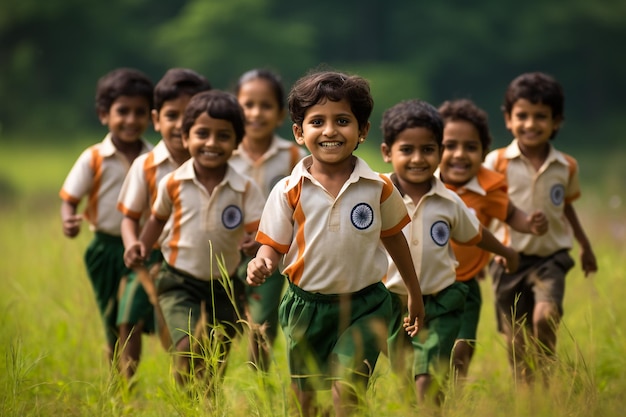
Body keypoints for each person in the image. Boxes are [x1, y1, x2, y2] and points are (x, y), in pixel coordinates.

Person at [247, 70, 425, 417]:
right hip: (305, 307)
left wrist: (414, 294)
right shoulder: (287, 190)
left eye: (342, 120)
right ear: (299, 132)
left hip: (366, 305)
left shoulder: (378, 187)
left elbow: (395, 240)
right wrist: (261, 261)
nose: (330, 131)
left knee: (349, 393)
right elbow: (272, 245)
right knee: (307, 401)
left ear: (363, 131)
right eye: (317, 122)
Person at [379, 99, 519, 405]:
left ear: (439, 153)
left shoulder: (450, 201)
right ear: (388, 153)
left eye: (428, 150)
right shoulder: (377, 196)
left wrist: (506, 252)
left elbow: (475, 234)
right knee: (403, 375)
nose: (418, 159)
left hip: (442, 299)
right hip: (394, 300)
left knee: (430, 375)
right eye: (407, 150)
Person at [125, 90, 265, 389]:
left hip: (225, 284)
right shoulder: (173, 182)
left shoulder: (244, 188)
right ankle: (186, 391)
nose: (212, 143)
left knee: (216, 358)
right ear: (186, 138)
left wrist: (254, 244)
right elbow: (157, 219)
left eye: (223, 136)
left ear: (237, 143)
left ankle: (203, 401)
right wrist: (141, 245)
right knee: (189, 346)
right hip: (178, 281)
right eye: (202, 134)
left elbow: (258, 231)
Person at [484, 71, 598, 383]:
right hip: (508, 259)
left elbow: (568, 207)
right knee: (516, 337)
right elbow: (481, 208)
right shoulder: (496, 162)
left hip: (552, 257)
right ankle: (527, 393)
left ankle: (546, 376)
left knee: (546, 316)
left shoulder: (566, 166)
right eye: (522, 115)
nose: (531, 124)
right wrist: (477, 252)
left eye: (541, 116)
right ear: (508, 119)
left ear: (556, 121)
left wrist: (585, 246)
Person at [436, 98, 549, 380]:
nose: (460, 154)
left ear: (484, 152)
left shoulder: (487, 187)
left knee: (462, 346)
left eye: (470, 147)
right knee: (426, 349)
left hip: (465, 285)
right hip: (423, 284)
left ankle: (454, 396)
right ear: (433, 146)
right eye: (449, 145)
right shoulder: (423, 184)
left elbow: (511, 214)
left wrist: (529, 223)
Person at [116, 68, 211, 381]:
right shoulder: (146, 166)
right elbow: (129, 218)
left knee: (188, 334)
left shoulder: (218, 165)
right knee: (128, 318)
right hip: (150, 257)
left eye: (191, 115)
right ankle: (123, 389)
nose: (181, 124)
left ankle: (191, 390)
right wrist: (133, 245)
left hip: (197, 261)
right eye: (172, 115)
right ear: (156, 120)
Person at [59, 68, 154, 370]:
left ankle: (128, 380)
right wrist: (69, 220)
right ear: (104, 114)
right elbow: (70, 198)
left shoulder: (153, 159)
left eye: (139, 112)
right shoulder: (94, 157)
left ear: (151, 116)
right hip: (104, 250)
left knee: (132, 318)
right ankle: (118, 385)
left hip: (141, 250)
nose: (131, 119)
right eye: (122, 111)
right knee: (112, 317)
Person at [230, 68, 308, 372]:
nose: (255, 113)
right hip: (225, 254)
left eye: (266, 106)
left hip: (271, 257)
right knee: (219, 325)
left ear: (279, 115)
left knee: (262, 325)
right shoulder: (224, 152)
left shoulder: (293, 157)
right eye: (247, 105)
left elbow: (301, 207)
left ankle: (256, 383)